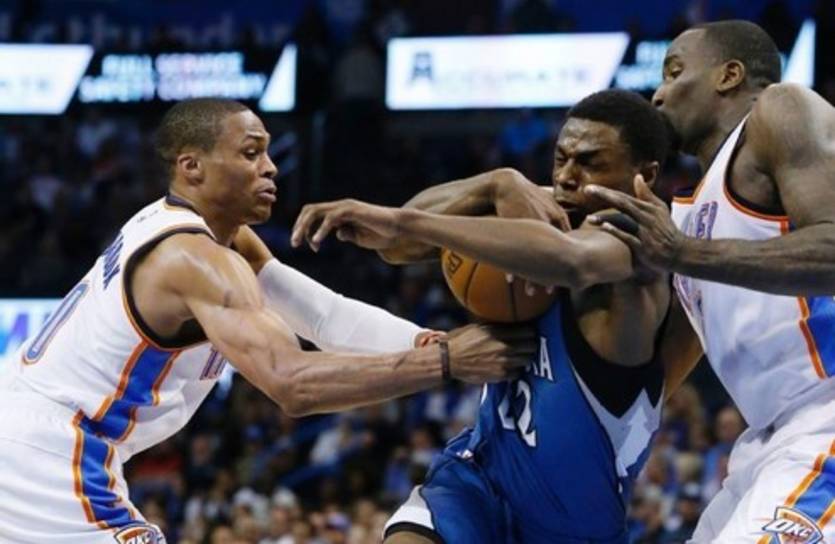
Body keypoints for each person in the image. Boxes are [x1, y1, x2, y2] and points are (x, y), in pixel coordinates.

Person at [0, 98, 536, 543]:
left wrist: (432, 342)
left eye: (268, 153)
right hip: (49, 450)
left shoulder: (219, 238)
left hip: (37, 434)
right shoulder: (193, 258)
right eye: (251, 152)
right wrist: (446, 362)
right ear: (192, 167)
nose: (271, 167)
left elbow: (326, 317)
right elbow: (293, 384)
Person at [292, 89, 703, 543]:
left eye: (590, 163)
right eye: (561, 159)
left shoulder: (640, 248)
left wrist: (404, 221)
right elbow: (395, 247)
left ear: (645, 175)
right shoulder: (538, 212)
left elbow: (572, 261)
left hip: (572, 527)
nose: (567, 177)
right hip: (477, 482)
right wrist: (494, 184)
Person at [584, 20, 835, 542]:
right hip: (766, 442)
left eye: (674, 72)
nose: (658, 94)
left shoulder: (781, 109)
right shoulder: (686, 213)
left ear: (729, 75)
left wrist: (684, 254)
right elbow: (662, 372)